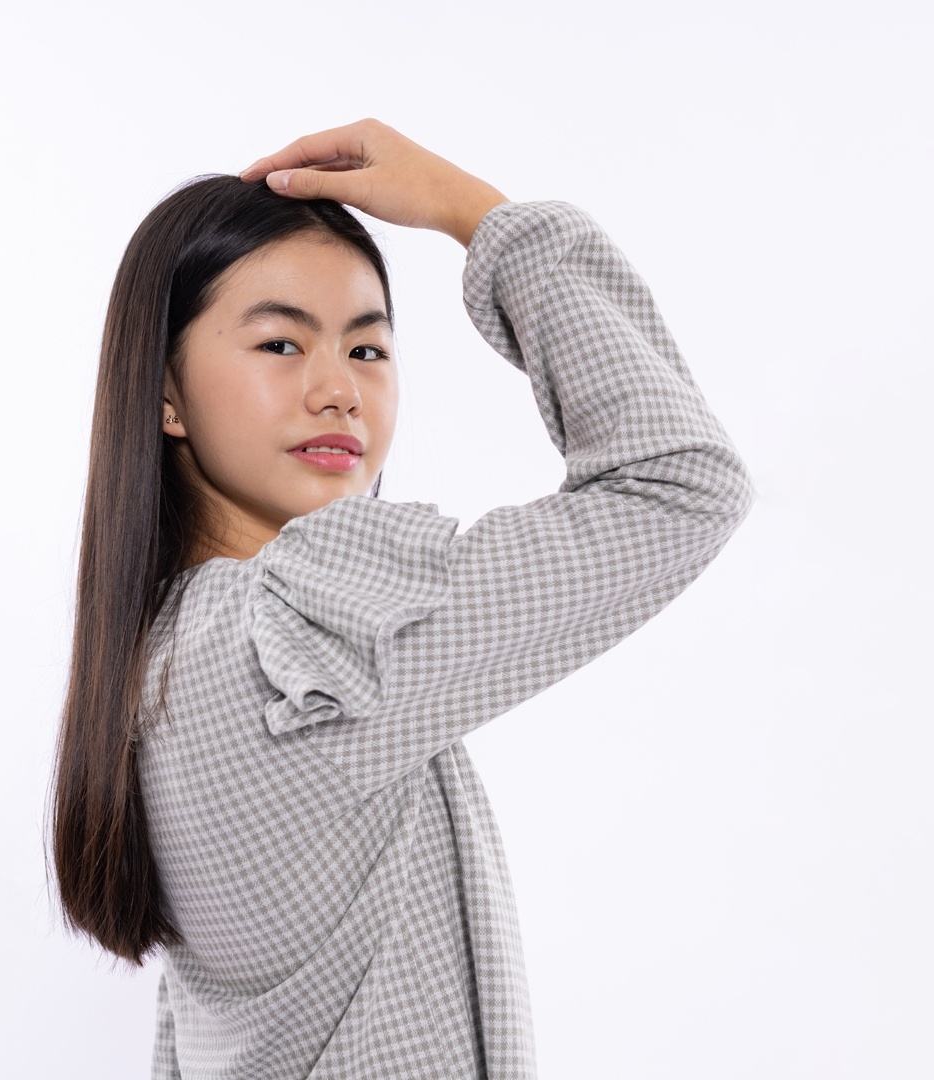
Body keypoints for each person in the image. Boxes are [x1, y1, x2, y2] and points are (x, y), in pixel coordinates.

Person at [51, 119, 753, 1079]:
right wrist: (475, 212)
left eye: (369, 350)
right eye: (280, 343)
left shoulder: (160, 662)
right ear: (165, 392)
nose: (339, 390)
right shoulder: (290, 645)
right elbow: (680, 483)